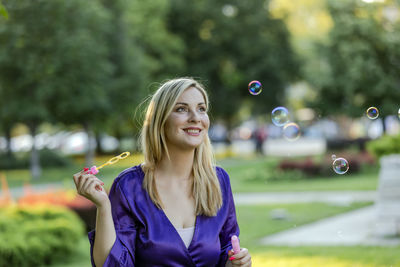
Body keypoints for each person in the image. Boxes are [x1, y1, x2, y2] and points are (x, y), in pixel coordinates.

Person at [73, 78, 252, 267]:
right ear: (160, 120)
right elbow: (112, 264)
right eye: (181, 109)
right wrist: (103, 206)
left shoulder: (219, 180)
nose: (195, 117)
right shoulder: (129, 186)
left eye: (201, 109)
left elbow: (226, 248)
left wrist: (235, 262)